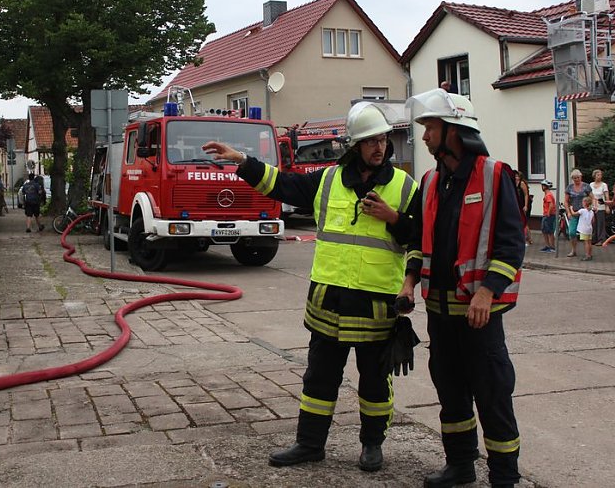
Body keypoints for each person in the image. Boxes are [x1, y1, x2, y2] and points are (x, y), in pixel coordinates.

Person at [202, 102, 421, 473]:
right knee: (319, 379)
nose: (378, 147)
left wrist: (394, 219)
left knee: (374, 383)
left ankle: (372, 446)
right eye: (370, 141)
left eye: (382, 140)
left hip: (376, 304)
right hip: (329, 302)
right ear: (354, 146)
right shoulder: (328, 179)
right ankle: (309, 444)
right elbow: (281, 183)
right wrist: (242, 160)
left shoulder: (404, 186)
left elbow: (419, 239)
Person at [407, 89, 524, 488]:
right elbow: (417, 239)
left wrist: (488, 291)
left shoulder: (494, 175)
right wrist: (408, 283)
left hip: (478, 317)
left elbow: (511, 244)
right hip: (439, 315)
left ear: (454, 131)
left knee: (492, 398)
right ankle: (459, 466)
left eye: (430, 127)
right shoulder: (431, 181)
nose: (423, 137)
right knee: (451, 396)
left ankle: (504, 478)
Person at [564, 169, 593, 258]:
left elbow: (592, 197)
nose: (577, 179)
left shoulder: (586, 186)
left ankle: (588, 253)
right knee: (571, 232)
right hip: (574, 212)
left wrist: (590, 207)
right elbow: (566, 201)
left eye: (578, 177)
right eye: (575, 178)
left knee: (585, 233)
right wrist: (568, 212)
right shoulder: (569, 187)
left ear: (581, 177)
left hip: (584, 213)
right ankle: (573, 250)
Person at [589, 169, 610, 245]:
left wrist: (607, 207)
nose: (600, 176)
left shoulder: (604, 185)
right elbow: (590, 195)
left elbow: (606, 196)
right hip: (593, 206)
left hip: (601, 206)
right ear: (594, 176)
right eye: (598, 175)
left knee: (600, 223)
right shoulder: (591, 185)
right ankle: (594, 239)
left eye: (601, 175)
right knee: (593, 223)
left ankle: (601, 239)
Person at [513, 171, 533, 245]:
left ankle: (528, 238)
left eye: (517, 176)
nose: (516, 177)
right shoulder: (514, 184)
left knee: (524, 221)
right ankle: (528, 238)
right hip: (518, 204)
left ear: (520, 177)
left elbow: (526, 195)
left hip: (524, 204)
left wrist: (526, 205)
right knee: (522, 222)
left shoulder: (521, 183)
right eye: (515, 176)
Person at [539, 180, 556, 252]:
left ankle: (552, 247)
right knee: (544, 230)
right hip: (546, 214)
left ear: (545, 186)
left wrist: (548, 213)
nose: (542, 187)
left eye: (543, 185)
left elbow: (551, 204)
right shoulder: (547, 194)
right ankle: (547, 245)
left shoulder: (548, 195)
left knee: (549, 231)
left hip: (548, 215)